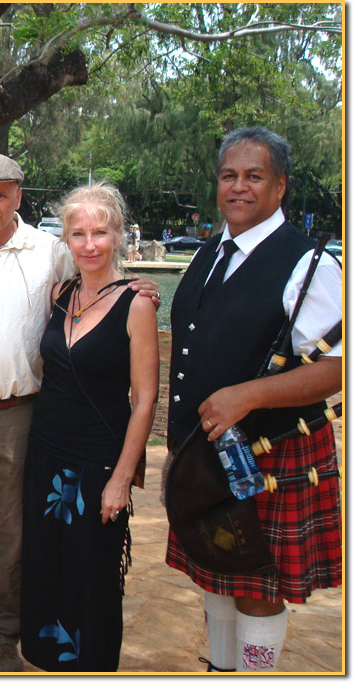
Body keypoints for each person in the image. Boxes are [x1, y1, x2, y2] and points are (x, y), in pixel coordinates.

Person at [0, 153, 160, 672]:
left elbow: (101, 282)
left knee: (17, 537)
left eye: (2, 194)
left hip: (25, 416)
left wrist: (139, 287)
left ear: (19, 195)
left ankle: (4, 637)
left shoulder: (50, 252)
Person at [164, 126, 342, 672]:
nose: (238, 188)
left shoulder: (310, 265)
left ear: (280, 186)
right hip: (202, 450)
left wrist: (248, 396)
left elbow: (339, 366)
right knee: (214, 568)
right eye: (228, 176)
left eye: (254, 176)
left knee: (258, 584)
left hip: (272, 451)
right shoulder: (209, 252)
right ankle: (222, 671)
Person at [19, 183, 158, 671]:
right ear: (66, 241)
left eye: (100, 232)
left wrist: (121, 478)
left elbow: (144, 400)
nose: (90, 244)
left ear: (118, 235)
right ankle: (43, 663)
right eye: (78, 234)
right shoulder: (60, 295)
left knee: (90, 576)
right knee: (45, 567)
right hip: (45, 454)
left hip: (98, 460)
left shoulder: (136, 304)